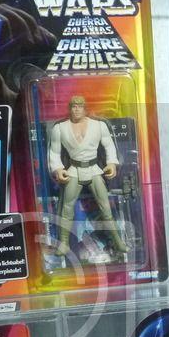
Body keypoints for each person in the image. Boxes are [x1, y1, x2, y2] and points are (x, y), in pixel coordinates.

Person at [48, 95, 128, 256]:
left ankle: (118, 241)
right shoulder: (60, 128)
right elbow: (54, 152)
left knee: (106, 209)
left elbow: (109, 146)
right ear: (69, 108)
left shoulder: (99, 125)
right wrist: (57, 169)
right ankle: (63, 243)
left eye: (79, 106)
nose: (76, 109)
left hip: (94, 169)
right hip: (74, 170)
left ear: (85, 108)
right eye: (73, 106)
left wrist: (112, 163)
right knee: (66, 208)